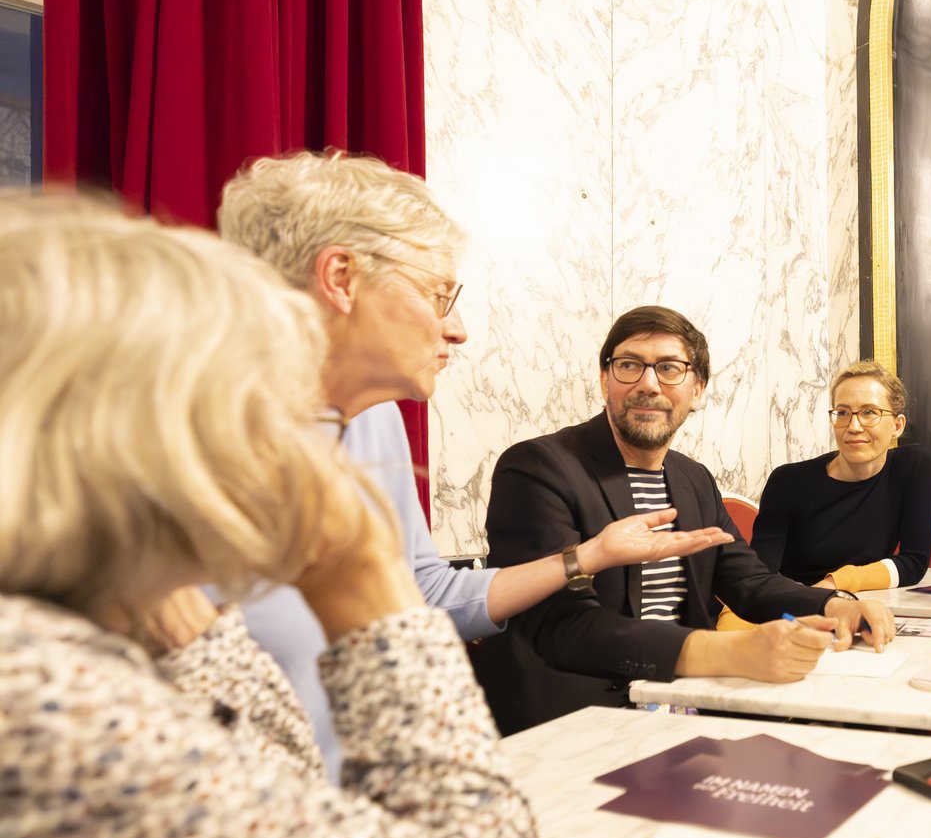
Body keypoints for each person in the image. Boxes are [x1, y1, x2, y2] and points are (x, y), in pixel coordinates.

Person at [0, 195, 543, 838]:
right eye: (235, 390)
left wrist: (196, 634)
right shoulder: (38, 700)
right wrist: (364, 584)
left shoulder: (83, 628)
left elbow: (266, 781)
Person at [219, 151, 719, 778]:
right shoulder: (186, 439)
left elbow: (424, 593)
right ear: (341, 278)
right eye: (438, 294)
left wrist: (587, 557)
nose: (455, 329)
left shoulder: (373, 418)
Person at [476, 306, 896, 735]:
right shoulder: (538, 468)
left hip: (682, 704)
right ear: (605, 381)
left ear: (697, 390)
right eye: (628, 365)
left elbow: (747, 581)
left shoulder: (691, 478)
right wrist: (727, 650)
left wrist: (836, 605)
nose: (648, 383)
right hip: (574, 717)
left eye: (670, 368)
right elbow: (564, 626)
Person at [751, 360, 931, 592]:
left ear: (897, 426)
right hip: (797, 609)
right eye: (842, 413)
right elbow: (757, 579)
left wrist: (836, 584)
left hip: (863, 604)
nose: (854, 426)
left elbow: (914, 562)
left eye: (869, 412)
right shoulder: (787, 482)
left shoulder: (910, 467)